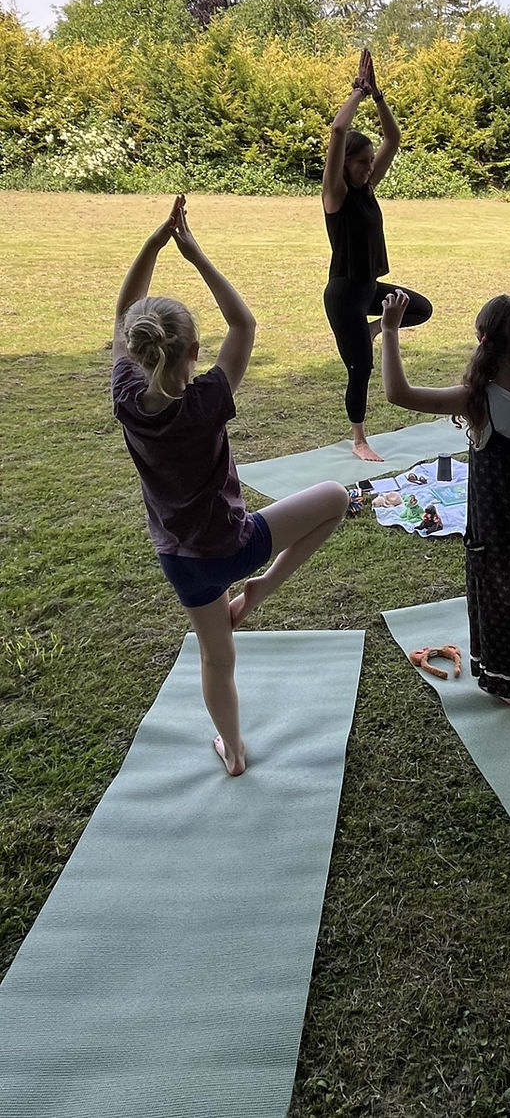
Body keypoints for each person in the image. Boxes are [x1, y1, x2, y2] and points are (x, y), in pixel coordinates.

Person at [112, 196, 349, 775]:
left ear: (137, 350)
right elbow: (243, 324)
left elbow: (123, 312)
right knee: (336, 499)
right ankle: (261, 592)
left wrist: (153, 243)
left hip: (182, 561)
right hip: (236, 548)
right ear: (195, 351)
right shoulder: (209, 398)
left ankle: (234, 753)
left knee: (218, 661)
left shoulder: (125, 396)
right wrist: (193, 253)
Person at [380, 268, 510, 705]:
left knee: (495, 590)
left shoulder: (471, 398)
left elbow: (397, 393)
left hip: (495, 512)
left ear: (483, 341)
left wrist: (389, 331)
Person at [322, 47, 432, 463]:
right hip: (344, 294)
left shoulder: (366, 189)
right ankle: (359, 438)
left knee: (418, 308)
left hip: (368, 288)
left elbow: (394, 139)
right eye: (362, 162)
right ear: (345, 164)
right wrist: (356, 92)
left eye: (371, 162)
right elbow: (336, 132)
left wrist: (379, 94)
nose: (370, 167)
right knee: (360, 369)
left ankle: (373, 330)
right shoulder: (335, 196)